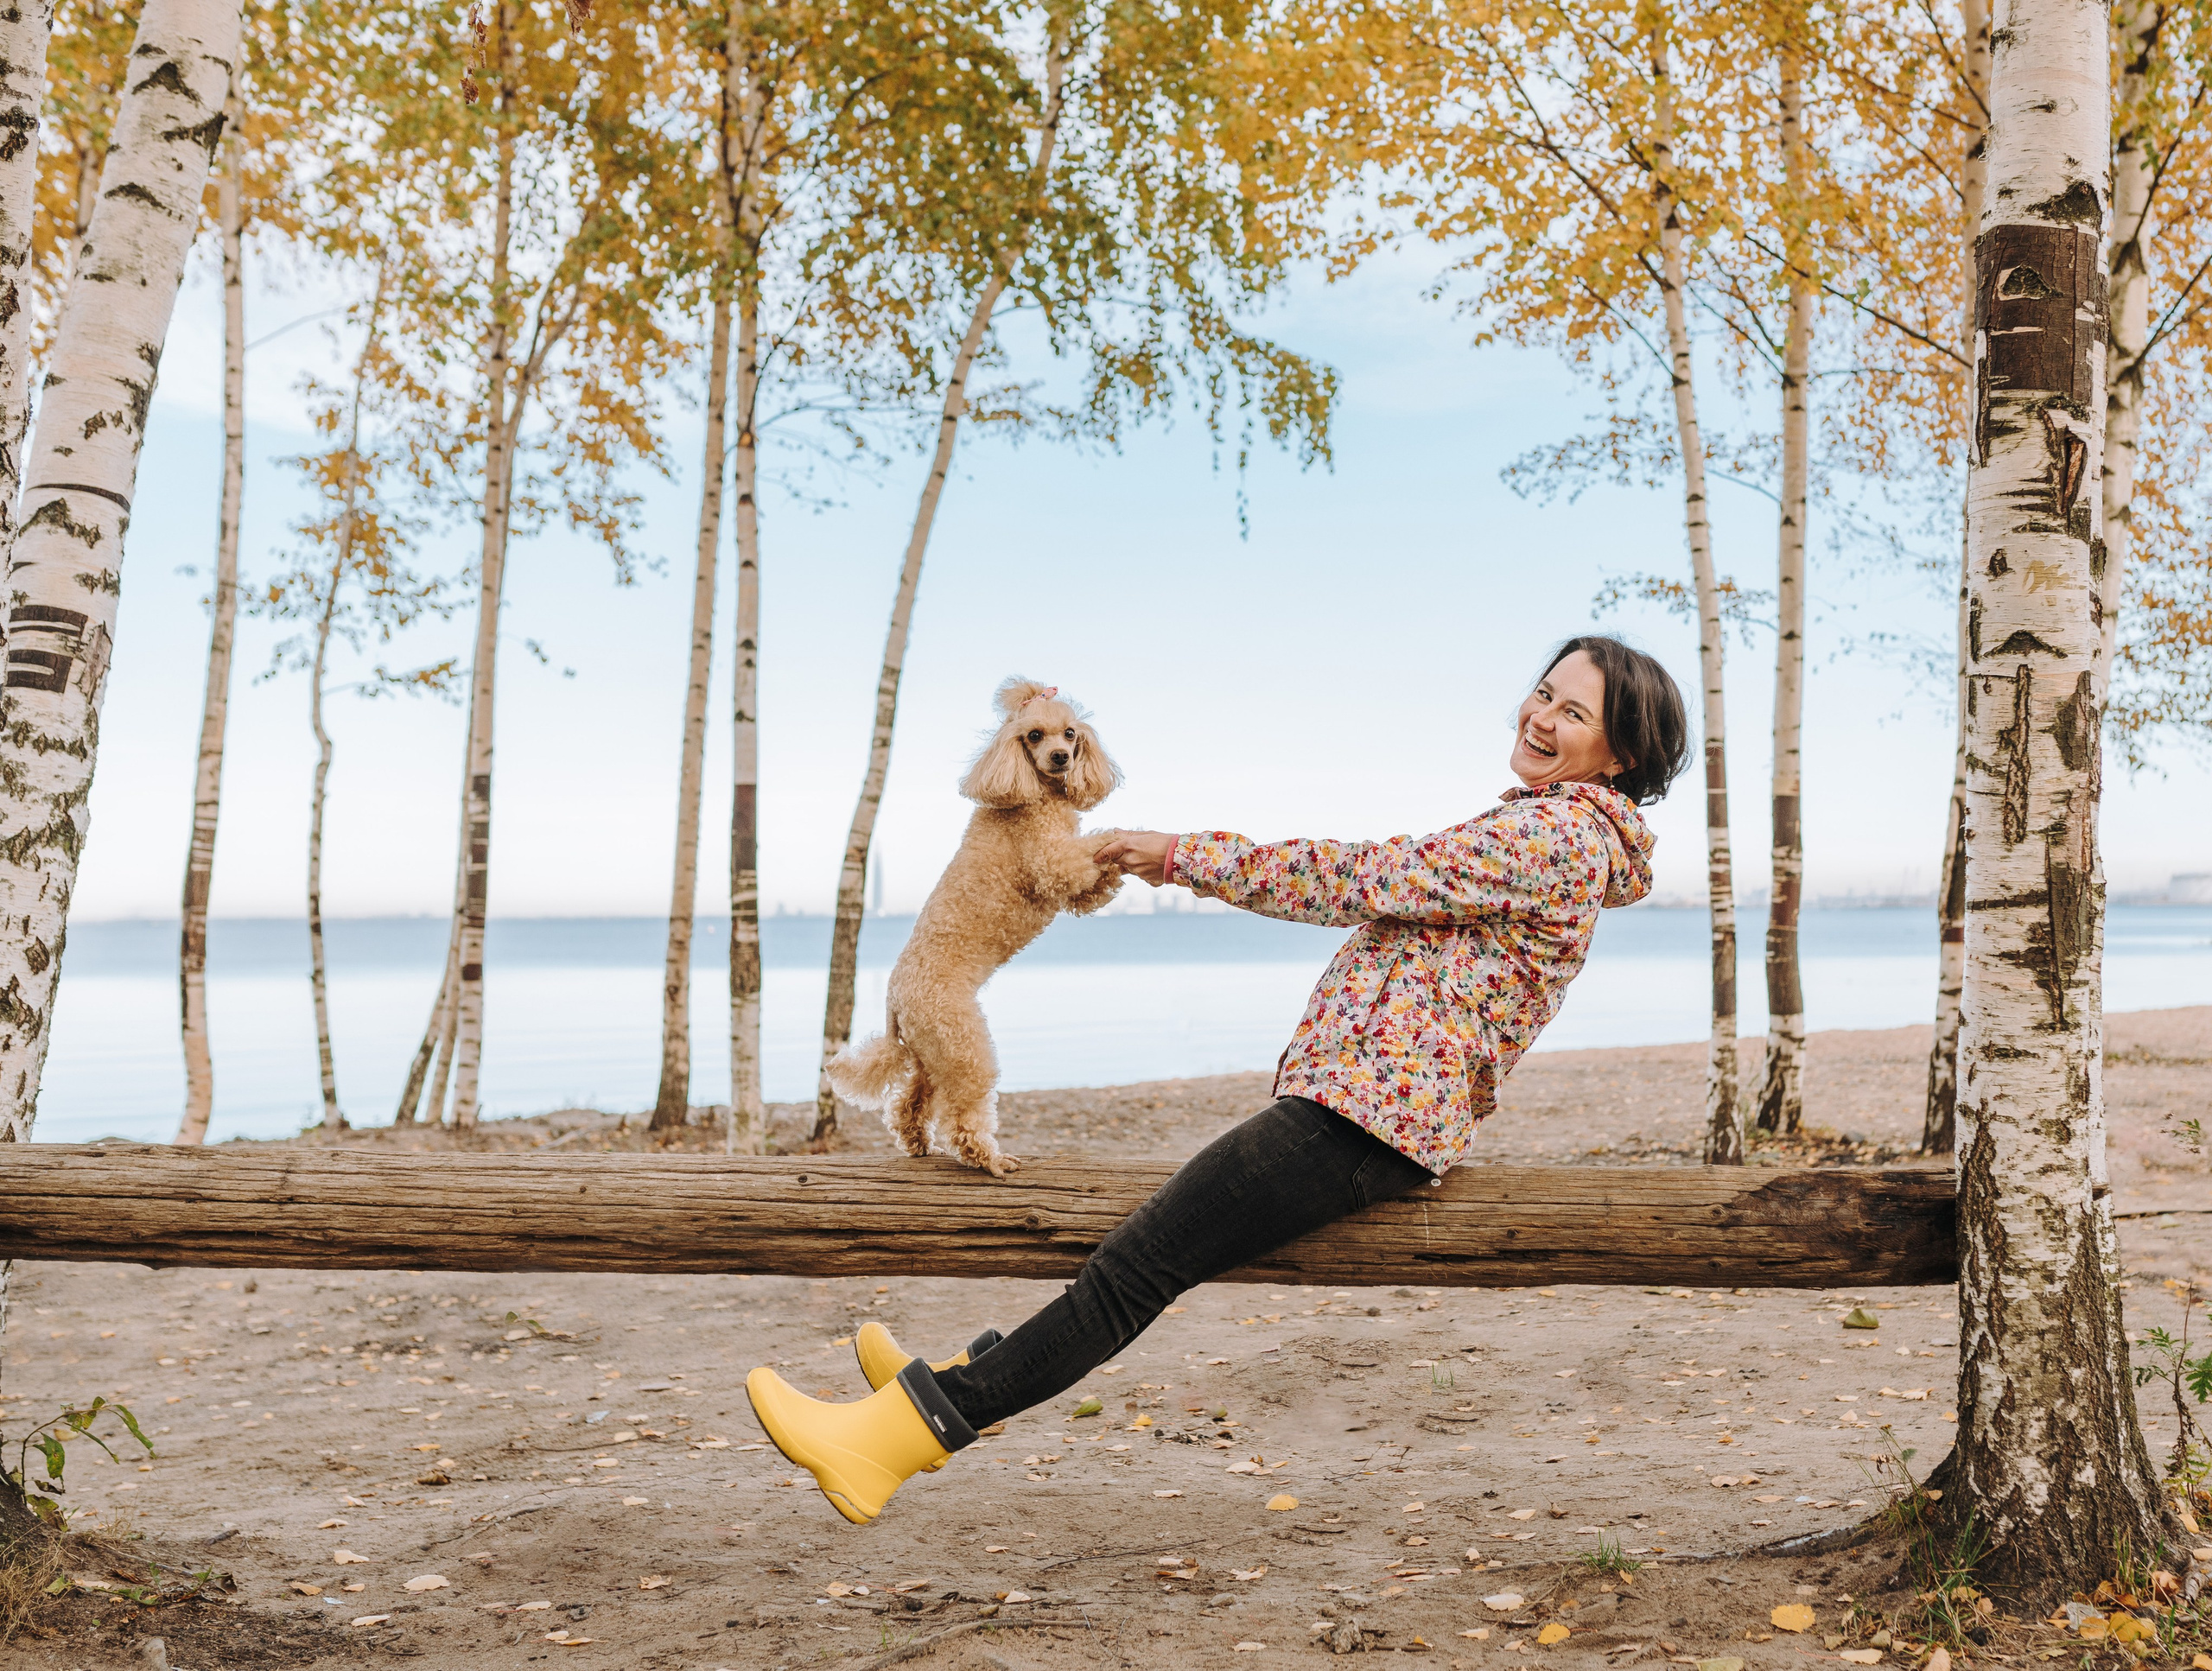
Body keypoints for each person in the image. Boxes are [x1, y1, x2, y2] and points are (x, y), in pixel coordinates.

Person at [744, 633, 1691, 1525]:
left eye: (1572, 713)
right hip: (1356, 1110)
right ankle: (948, 1376)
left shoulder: (1559, 837)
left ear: (1617, 756)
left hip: (1363, 1123)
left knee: (1132, 1272)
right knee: (1139, 1254)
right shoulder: (1545, 825)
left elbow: (1365, 876)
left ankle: (892, 1439)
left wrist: (1181, 854)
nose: (1540, 715)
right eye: (1543, 691)